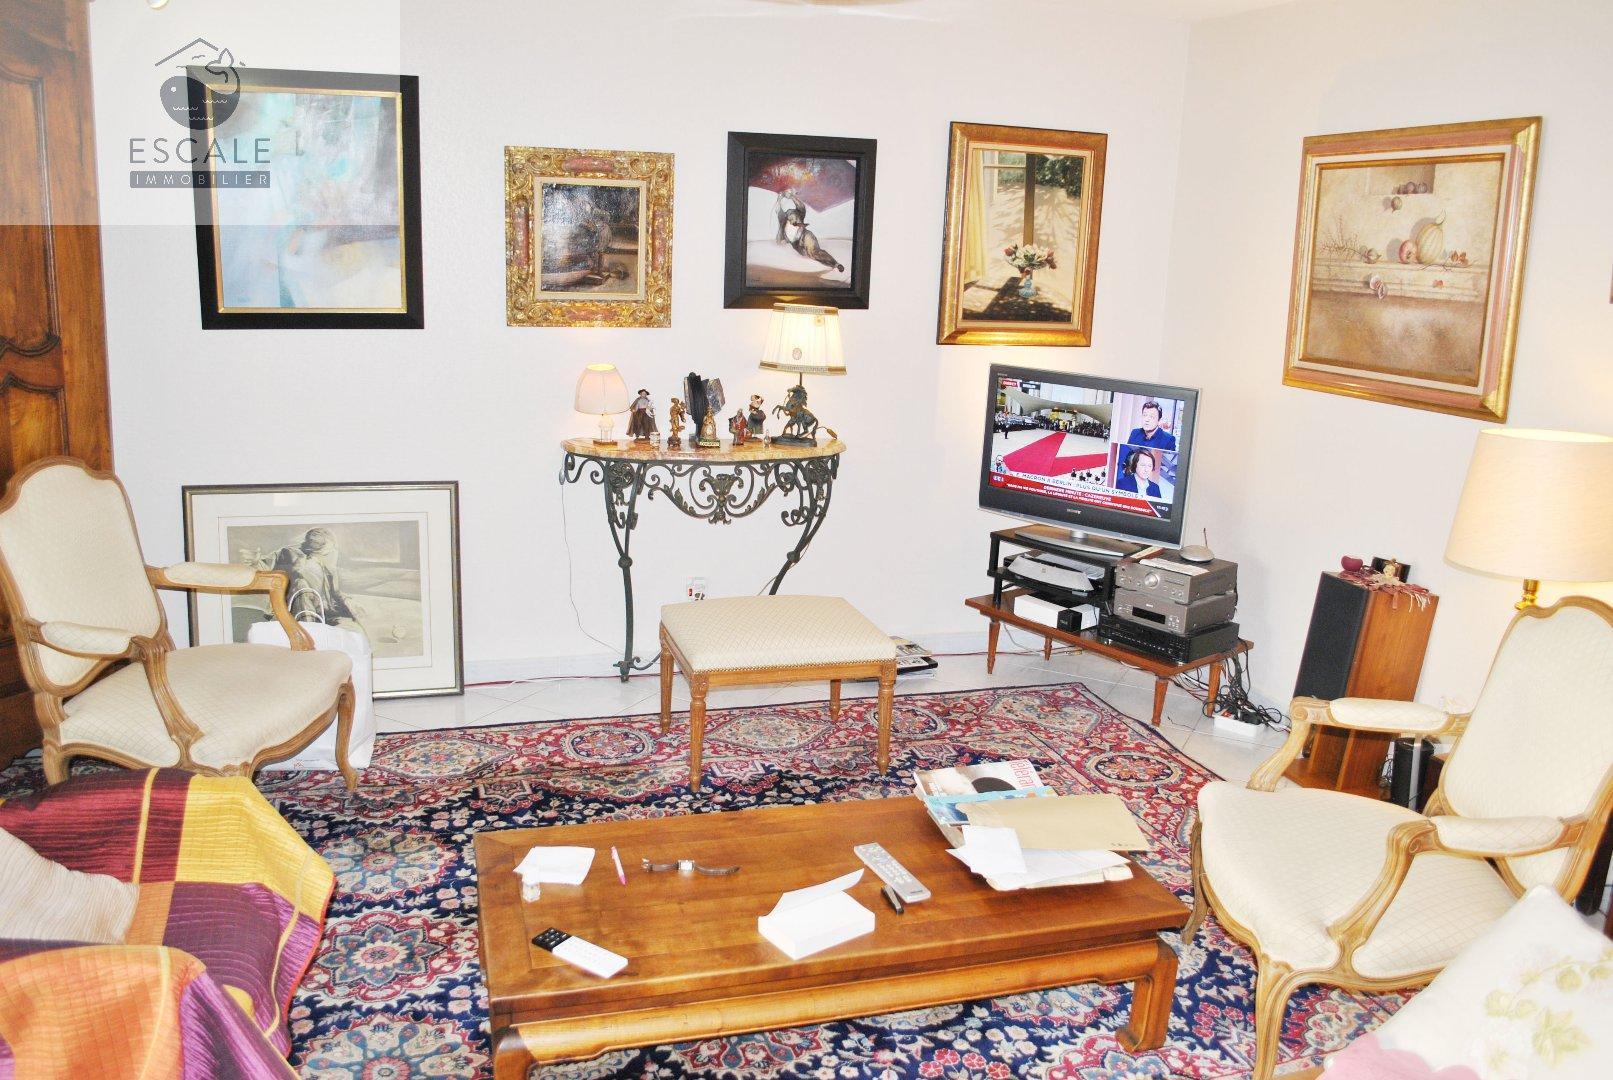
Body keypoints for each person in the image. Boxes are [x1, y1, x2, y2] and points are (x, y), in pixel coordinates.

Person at [268, 528, 360, 627]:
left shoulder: (328, 569)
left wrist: (349, 604)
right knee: (302, 588)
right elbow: (267, 564)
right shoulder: (291, 554)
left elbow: (336, 593)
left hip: (324, 612)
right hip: (301, 609)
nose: (332, 554)